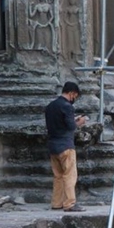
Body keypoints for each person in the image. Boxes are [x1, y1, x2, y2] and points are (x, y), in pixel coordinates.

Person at [45, 82, 88, 212]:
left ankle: (56, 203)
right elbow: (71, 126)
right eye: (75, 96)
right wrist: (79, 122)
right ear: (72, 93)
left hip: (53, 146)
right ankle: (70, 203)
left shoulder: (50, 106)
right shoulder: (67, 106)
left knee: (58, 176)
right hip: (66, 146)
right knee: (70, 175)